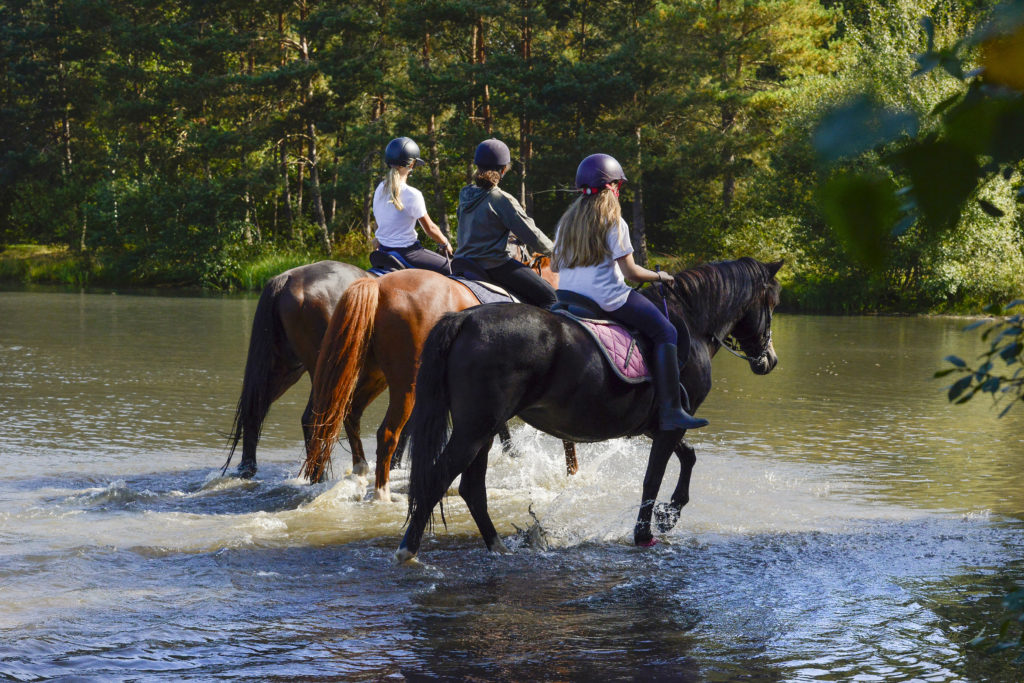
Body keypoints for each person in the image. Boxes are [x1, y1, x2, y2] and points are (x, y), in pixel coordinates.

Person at [552, 153, 708, 431]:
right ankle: (671, 410)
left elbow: (554, 265)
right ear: (612, 187)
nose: (619, 191)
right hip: (606, 299)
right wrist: (660, 276)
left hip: (566, 297)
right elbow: (631, 274)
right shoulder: (614, 221)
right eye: (619, 186)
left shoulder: (566, 222)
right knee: (666, 331)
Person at [454, 138, 557, 308]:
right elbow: (532, 235)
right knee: (552, 299)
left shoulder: (465, 194)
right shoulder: (501, 199)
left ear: (477, 166)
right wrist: (556, 252)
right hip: (493, 265)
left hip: (463, 262)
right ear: (503, 170)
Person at [372, 136, 452, 274]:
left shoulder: (380, 188)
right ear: (411, 165)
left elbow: (377, 222)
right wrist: (445, 243)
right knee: (453, 269)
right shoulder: (412, 194)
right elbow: (430, 229)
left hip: (384, 250)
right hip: (408, 253)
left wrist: (380, 238)